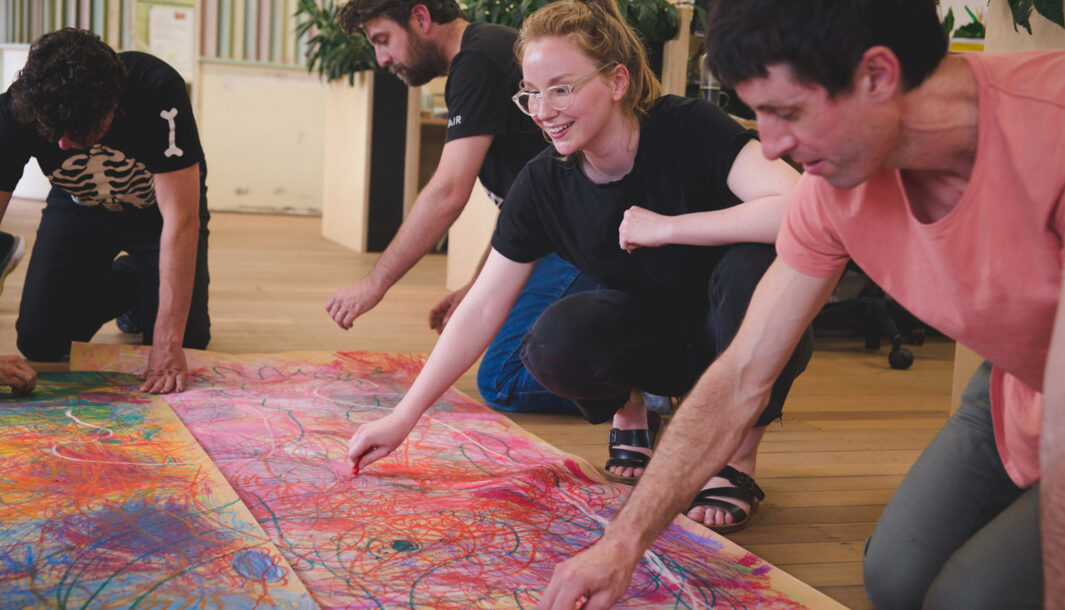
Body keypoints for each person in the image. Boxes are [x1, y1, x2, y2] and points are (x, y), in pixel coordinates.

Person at [536, 0, 1064, 608]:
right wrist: (624, 540)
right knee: (895, 581)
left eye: (787, 112)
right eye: (759, 115)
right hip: (1019, 385)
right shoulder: (831, 188)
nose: (771, 146)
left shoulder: (1049, 134)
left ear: (877, 76)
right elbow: (738, 376)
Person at [346, 0, 808, 534]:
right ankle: (631, 406)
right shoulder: (544, 182)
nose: (543, 110)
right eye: (531, 93)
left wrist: (670, 228)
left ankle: (737, 458)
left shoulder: (687, 126)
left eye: (562, 88)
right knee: (549, 343)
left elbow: (800, 210)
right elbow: (482, 306)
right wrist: (403, 417)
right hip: (656, 339)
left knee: (757, 266)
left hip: (727, 326)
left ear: (616, 81)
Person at [329, 0, 601, 415]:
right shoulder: (480, 53)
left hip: (584, 244)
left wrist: (373, 284)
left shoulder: (476, 61)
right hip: (558, 240)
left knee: (502, 378)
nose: (382, 59)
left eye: (383, 40)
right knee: (490, 339)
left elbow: (447, 192)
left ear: (420, 18)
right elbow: (518, 213)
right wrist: (476, 285)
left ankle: (639, 373)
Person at [0, 28, 211, 394]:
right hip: (78, 206)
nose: (63, 143)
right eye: (54, 132)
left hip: (157, 214)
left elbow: (182, 220)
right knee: (40, 342)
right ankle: (136, 282)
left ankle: (147, 278)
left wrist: (166, 342)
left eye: (79, 131)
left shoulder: (157, 89)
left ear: (114, 104)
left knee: (187, 342)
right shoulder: (13, 111)